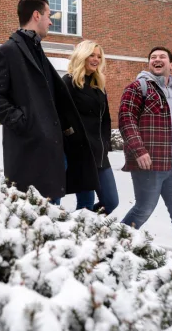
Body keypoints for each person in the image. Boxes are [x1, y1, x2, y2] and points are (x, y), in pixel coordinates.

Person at [0, 0, 98, 202]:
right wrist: (24, 122)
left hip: (51, 152)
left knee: (49, 214)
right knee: (32, 219)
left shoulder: (37, 50)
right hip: (28, 153)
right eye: (48, 15)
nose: (51, 21)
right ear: (36, 15)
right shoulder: (7, 52)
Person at [119, 46, 172, 258]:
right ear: (149, 63)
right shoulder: (138, 87)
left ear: (171, 64)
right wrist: (139, 151)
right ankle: (114, 243)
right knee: (144, 209)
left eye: (162, 57)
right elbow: (126, 120)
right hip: (150, 163)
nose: (157, 60)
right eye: (153, 57)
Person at [62, 40, 119, 214]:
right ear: (82, 56)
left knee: (110, 201)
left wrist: (106, 143)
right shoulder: (68, 81)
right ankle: (78, 235)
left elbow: (106, 118)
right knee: (86, 203)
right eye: (92, 55)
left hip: (100, 153)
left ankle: (80, 225)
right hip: (80, 153)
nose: (96, 59)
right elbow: (61, 114)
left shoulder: (99, 84)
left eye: (99, 56)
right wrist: (73, 136)